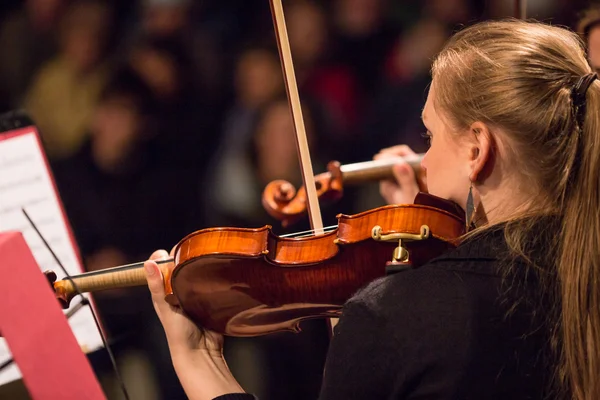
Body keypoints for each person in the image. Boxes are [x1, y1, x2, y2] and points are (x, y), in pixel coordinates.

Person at [142, 19, 600, 399]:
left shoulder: (399, 315)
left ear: (477, 150)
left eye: (431, 135)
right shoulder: (583, 280)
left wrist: (198, 361)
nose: (423, 158)